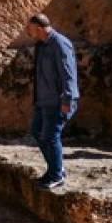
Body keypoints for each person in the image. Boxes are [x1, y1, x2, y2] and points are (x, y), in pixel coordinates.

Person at [26, 13, 79, 189]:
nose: (27, 31)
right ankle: (55, 169)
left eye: (30, 28)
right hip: (43, 100)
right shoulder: (41, 45)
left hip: (57, 102)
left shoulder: (60, 44)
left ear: (39, 29)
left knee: (50, 136)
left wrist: (67, 100)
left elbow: (68, 75)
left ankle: (56, 175)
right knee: (37, 132)